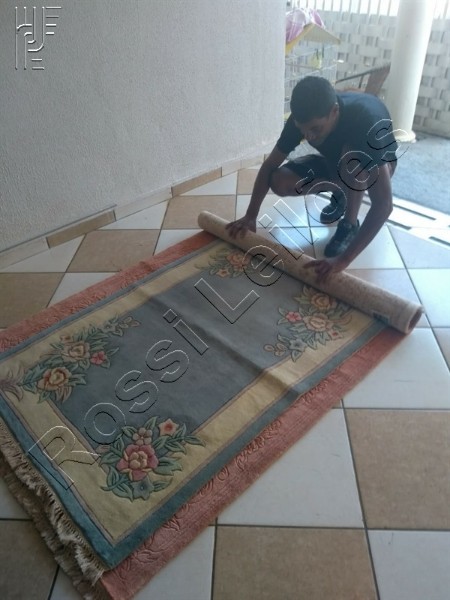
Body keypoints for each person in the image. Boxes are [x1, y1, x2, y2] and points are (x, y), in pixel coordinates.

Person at [226, 76, 398, 282]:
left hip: (374, 165)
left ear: (334, 111)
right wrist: (250, 215)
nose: (309, 136)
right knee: (280, 181)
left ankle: (349, 224)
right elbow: (270, 165)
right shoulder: (302, 118)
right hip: (336, 162)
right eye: (303, 130)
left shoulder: (366, 121)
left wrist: (343, 261)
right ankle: (342, 193)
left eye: (315, 129)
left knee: (352, 160)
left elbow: (384, 205)